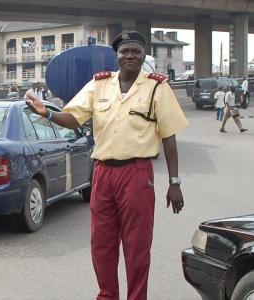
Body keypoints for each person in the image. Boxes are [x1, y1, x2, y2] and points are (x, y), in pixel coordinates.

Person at [25, 31, 188, 300]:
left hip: (137, 173)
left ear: (143, 55)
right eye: (125, 52)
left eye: (136, 51)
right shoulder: (99, 85)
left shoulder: (157, 87)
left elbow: (169, 136)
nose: (130, 56)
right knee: (102, 244)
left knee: (137, 246)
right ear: (117, 56)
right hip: (102, 173)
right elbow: (74, 119)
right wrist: (47, 112)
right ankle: (107, 295)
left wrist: (175, 183)